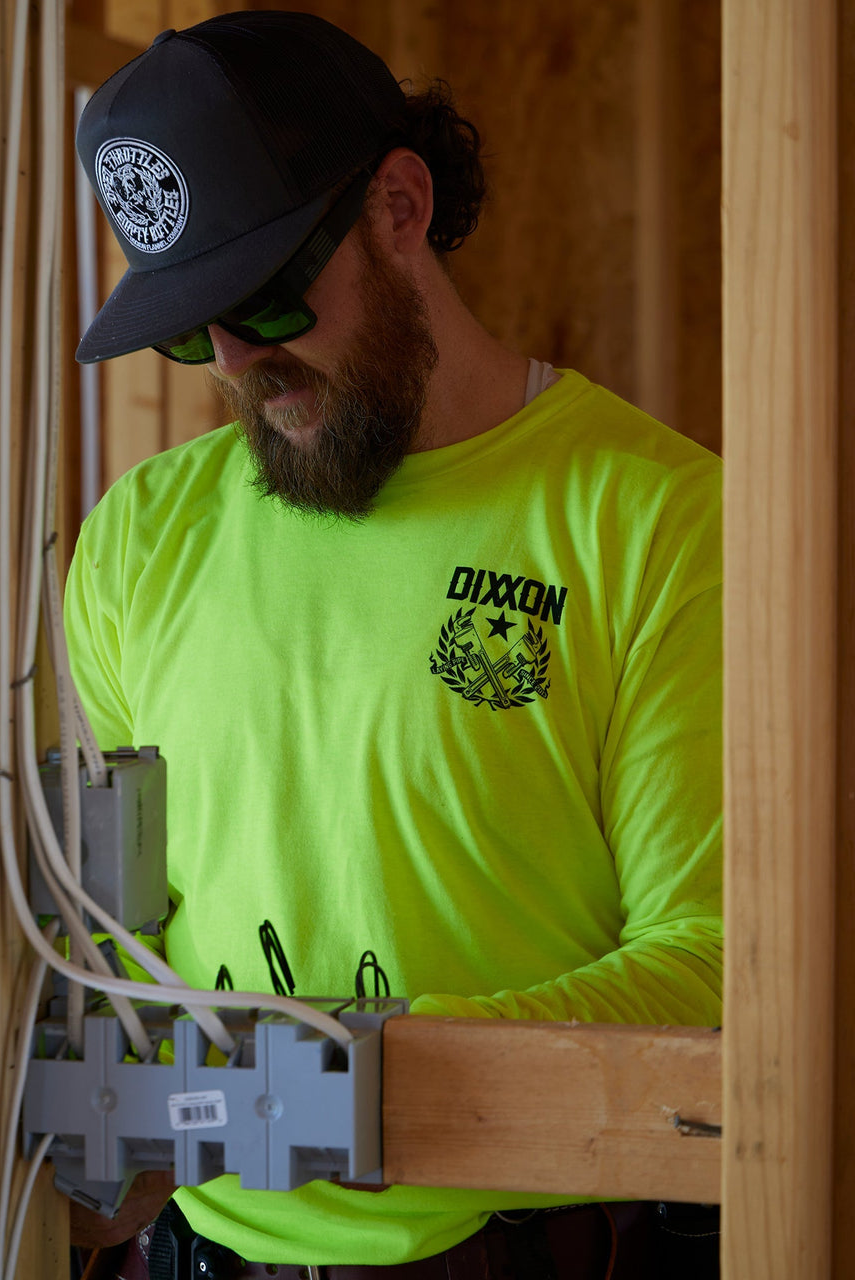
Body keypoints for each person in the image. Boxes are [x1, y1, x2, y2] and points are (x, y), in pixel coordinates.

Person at [64, 11, 722, 1278]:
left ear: (400, 206)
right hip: (198, 1253)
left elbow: (710, 965)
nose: (242, 364)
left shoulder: (656, 524)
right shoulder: (140, 538)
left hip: (502, 1245)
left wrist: (357, 1070)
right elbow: (106, 930)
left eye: (263, 299)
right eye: (194, 330)